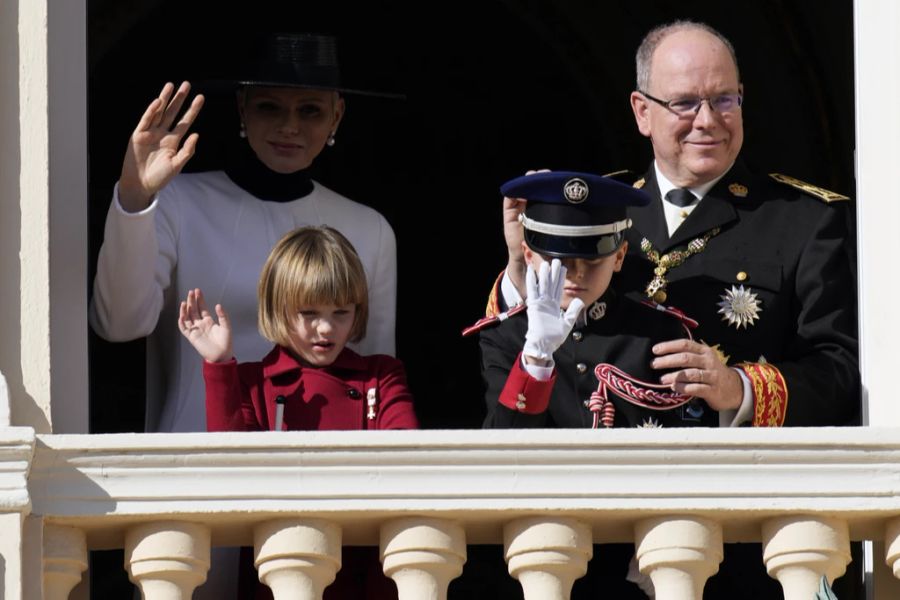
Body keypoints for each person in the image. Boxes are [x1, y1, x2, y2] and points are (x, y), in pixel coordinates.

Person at [490, 19, 859, 599]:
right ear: (642, 112)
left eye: (725, 99)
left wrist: (738, 387)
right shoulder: (594, 207)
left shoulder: (803, 220)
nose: (708, 121)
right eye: (685, 103)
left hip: (742, 540)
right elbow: (524, 351)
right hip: (595, 546)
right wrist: (519, 266)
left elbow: (840, 373)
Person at [88, 32, 399, 599]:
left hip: (315, 491)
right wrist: (135, 198)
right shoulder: (179, 201)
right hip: (196, 470)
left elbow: (374, 379)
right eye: (270, 107)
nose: (289, 126)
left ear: (337, 116)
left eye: (310, 110)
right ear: (241, 111)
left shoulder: (368, 228)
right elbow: (119, 322)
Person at [179, 225, 417, 599]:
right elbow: (230, 469)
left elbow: (409, 460)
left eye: (342, 312)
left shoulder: (381, 375)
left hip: (368, 576)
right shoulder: (253, 381)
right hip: (282, 571)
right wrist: (220, 366)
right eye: (309, 312)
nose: (326, 328)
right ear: (278, 309)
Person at [475, 171, 715, 431]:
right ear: (528, 255)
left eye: (592, 260)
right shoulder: (507, 335)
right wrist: (535, 360)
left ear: (619, 257)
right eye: (559, 261)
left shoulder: (659, 331)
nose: (576, 272)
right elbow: (505, 447)